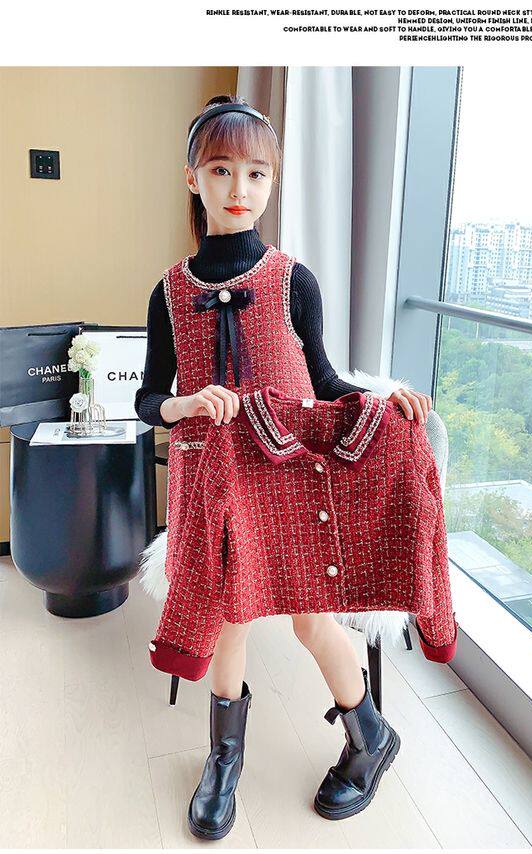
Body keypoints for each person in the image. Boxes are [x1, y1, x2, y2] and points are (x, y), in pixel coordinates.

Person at [135, 93, 433, 840]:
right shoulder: (170, 291)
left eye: (257, 173)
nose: (240, 189)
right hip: (212, 480)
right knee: (228, 619)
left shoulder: (293, 279)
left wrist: (381, 401)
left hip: (289, 478)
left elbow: (324, 381)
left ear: (272, 180)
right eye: (221, 170)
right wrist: (182, 405)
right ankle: (224, 761)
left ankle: (369, 737)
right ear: (192, 178)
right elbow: (147, 398)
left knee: (310, 621)